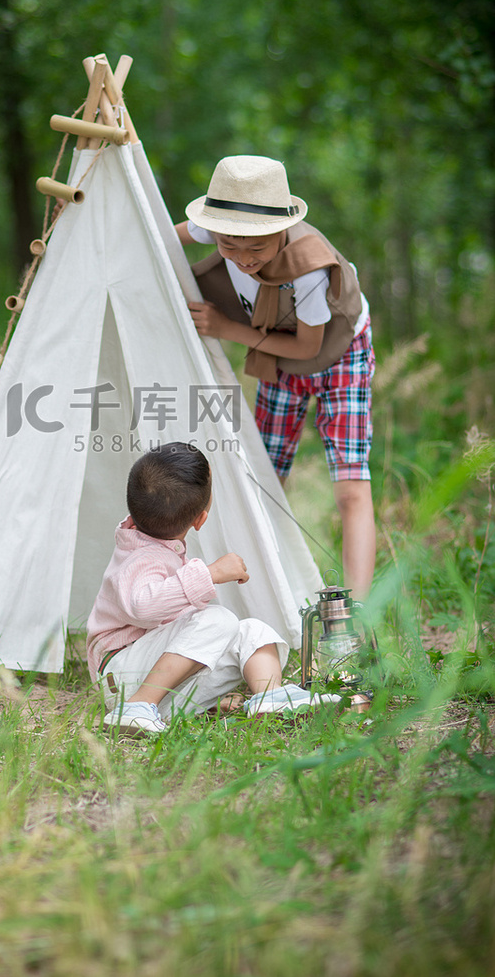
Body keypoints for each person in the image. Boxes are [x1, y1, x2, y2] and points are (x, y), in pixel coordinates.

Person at [175, 155, 376, 601]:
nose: (242, 259)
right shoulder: (223, 229)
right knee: (265, 477)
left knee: (349, 487)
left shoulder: (309, 268)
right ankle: (264, 590)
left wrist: (227, 330)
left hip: (341, 355)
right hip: (279, 352)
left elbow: (308, 347)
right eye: (229, 246)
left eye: (257, 249)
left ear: (280, 229)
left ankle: (358, 613)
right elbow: (157, 241)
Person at [87, 442, 339, 735]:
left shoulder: (154, 543)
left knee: (250, 631)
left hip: (157, 678)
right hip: (122, 679)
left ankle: (269, 695)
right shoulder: (140, 558)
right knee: (218, 620)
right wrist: (210, 573)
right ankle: (137, 707)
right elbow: (143, 607)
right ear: (200, 520)